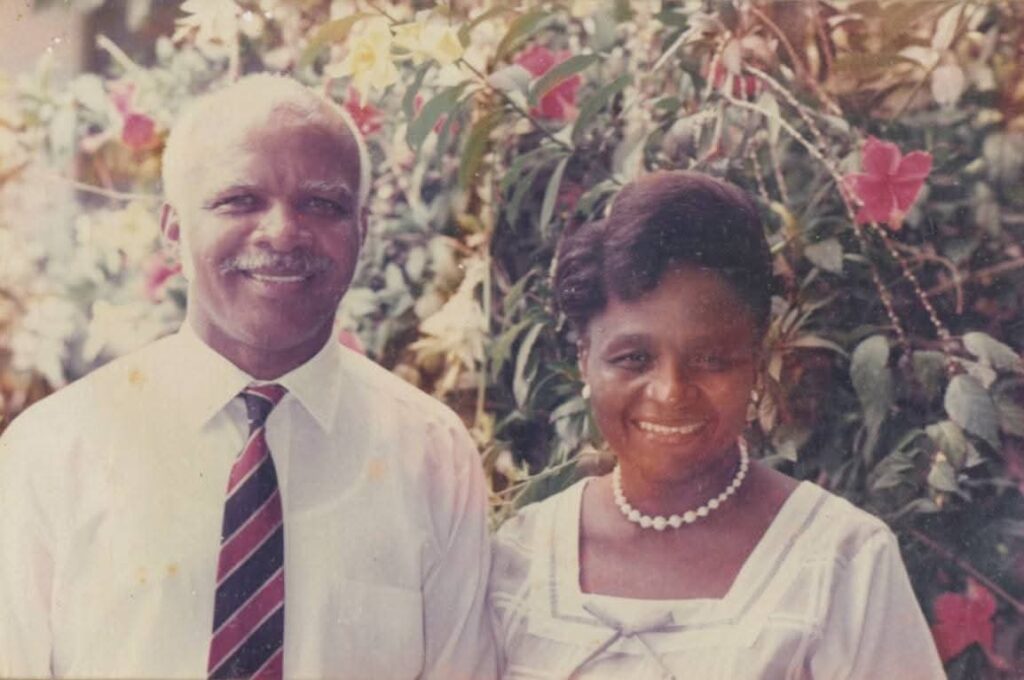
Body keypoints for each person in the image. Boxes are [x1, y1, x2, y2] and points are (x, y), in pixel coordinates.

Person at [0, 74, 496, 679]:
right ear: (174, 231)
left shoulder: (432, 455)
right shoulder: (54, 449)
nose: (283, 231)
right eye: (239, 200)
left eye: (322, 204)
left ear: (361, 231)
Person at [488, 171, 945, 678]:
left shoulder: (843, 561)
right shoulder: (521, 555)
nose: (670, 391)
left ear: (756, 360)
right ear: (584, 361)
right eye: (634, 358)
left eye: (711, 360)